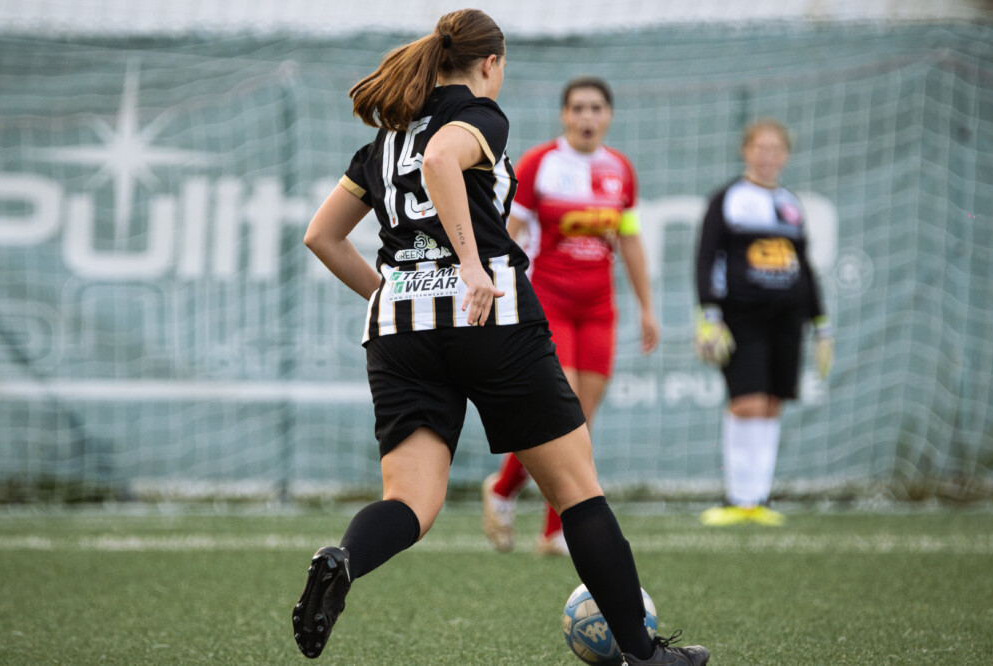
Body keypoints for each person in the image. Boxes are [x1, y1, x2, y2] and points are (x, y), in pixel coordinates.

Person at [294, 9, 708, 665]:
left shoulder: (380, 144)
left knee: (411, 503)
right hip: (490, 317)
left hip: (400, 330)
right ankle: (644, 657)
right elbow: (440, 160)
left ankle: (344, 560)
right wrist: (465, 266)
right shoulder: (482, 119)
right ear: (490, 63)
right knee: (577, 492)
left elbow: (321, 236)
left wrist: (391, 293)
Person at [481, 76, 659, 556]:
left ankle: (540, 521)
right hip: (549, 301)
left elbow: (630, 240)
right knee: (563, 414)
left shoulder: (620, 169)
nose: (587, 117)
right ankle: (512, 500)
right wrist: (499, 292)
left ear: (609, 116)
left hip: (599, 308)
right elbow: (510, 232)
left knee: (580, 421)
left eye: (596, 108)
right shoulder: (541, 163)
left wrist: (647, 307)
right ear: (564, 115)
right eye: (578, 108)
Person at [692, 118, 833, 527]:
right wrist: (709, 315)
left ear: (785, 155)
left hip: (788, 319)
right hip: (742, 317)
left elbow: (804, 266)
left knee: (772, 403)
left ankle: (760, 497)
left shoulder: (790, 203)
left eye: (776, 149)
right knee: (746, 402)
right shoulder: (729, 199)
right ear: (746, 150)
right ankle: (736, 496)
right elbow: (706, 257)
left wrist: (820, 323)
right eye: (761, 147)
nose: (768, 156)